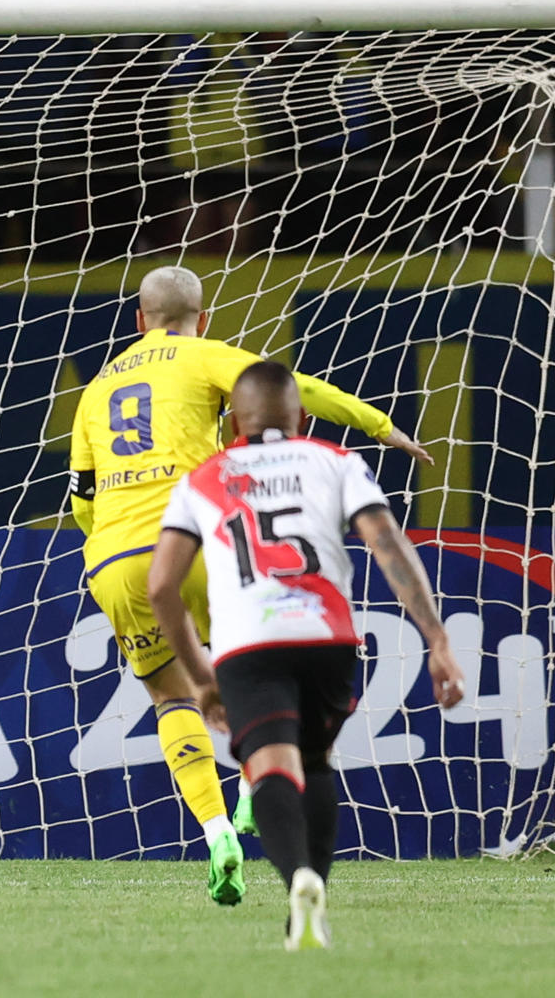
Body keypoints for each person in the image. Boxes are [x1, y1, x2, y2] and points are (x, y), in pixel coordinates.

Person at [66, 266, 430, 906]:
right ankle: (248, 794)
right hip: (198, 542)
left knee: (170, 697)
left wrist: (109, 549)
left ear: (137, 319)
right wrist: (380, 426)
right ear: (199, 319)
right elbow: (297, 388)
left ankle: (213, 835)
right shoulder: (204, 354)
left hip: (119, 559)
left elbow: (82, 499)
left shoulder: (94, 390)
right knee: (250, 670)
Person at [148, 360, 466, 950]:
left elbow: (162, 585)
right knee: (315, 761)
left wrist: (200, 680)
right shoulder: (335, 461)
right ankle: (310, 903)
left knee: (269, 766)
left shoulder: (203, 479)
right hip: (329, 639)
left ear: (234, 420)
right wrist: (437, 640)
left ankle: (296, 876)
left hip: (249, 643)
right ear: (298, 414)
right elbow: (387, 543)